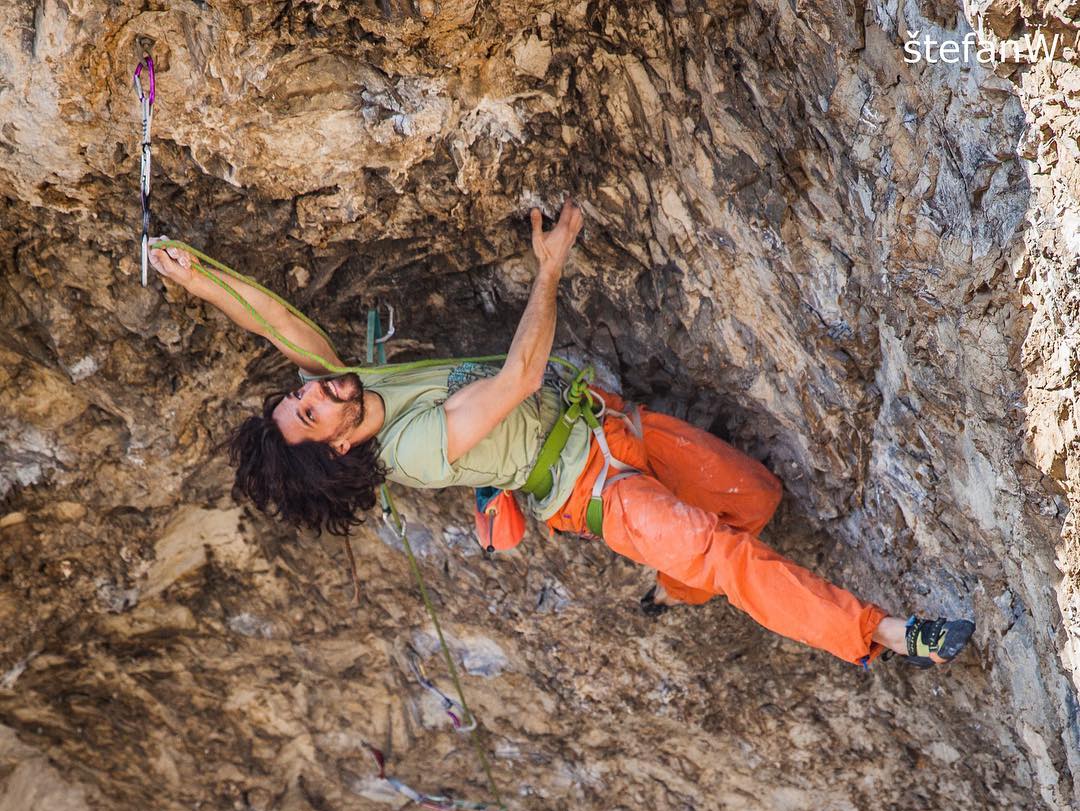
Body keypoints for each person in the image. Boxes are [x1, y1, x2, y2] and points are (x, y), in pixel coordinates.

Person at [148, 200, 974, 669]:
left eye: (303, 394)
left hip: (618, 427)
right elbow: (518, 381)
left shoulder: (361, 391)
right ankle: (890, 632)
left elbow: (285, 332)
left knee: (757, 498)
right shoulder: (411, 448)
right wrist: (550, 268)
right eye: (310, 410)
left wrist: (200, 277)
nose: (317, 388)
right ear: (335, 448)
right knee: (728, 556)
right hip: (602, 491)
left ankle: (678, 584)